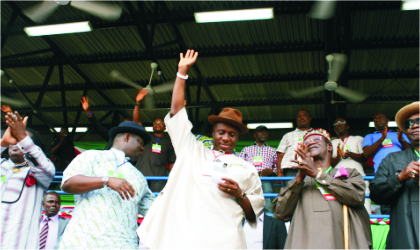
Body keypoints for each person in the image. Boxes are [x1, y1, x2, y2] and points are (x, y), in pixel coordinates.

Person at [137, 50, 264, 249]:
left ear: (237, 138)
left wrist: (239, 194)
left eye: (232, 134)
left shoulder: (247, 168)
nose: (225, 138)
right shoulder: (191, 150)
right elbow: (177, 111)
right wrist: (182, 72)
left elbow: (252, 214)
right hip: (180, 238)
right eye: (221, 132)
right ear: (213, 132)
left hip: (224, 242)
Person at [56, 121, 155, 249]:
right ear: (127, 137)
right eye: (140, 142)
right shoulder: (92, 156)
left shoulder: (139, 178)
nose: (142, 148)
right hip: (82, 242)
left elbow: (155, 213)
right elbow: (68, 183)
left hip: (122, 245)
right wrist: (106, 180)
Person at [272, 128, 372, 249]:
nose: (311, 142)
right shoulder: (298, 181)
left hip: (341, 243)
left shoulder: (347, 174)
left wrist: (317, 174)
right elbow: (280, 213)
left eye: (317, 139)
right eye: (307, 142)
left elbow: (357, 197)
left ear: (330, 147)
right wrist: (299, 177)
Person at [1, 111, 55, 249]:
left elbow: (45, 167)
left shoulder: (39, 170)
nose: (15, 144)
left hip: (19, 243)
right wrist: (3, 143)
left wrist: (22, 137)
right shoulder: (2, 165)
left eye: (21, 142)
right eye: (13, 140)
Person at [370, 102, 419, 249]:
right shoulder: (392, 159)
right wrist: (399, 177)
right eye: (410, 123)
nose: (415, 126)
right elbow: (376, 195)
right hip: (403, 235)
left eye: (419, 121)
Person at [331, 118, 370, 213]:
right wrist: (338, 156)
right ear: (334, 129)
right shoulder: (332, 143)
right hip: (338, 178)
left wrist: (350, 154)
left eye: (342, 123)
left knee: (364, 204)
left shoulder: (358, 139)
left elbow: (364, 157)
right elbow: (330, 164)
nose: (339, 125)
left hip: (358, 175)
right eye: (336, 123)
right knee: (339, 209)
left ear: (347, 127)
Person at [240, 125, 277, 213]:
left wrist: (272, 171)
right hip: (250, 179)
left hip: (266, 179)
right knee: (249, 206)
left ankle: (266, 225)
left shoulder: (273, 150)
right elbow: (240, 165)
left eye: (265, 132)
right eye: (261, 131)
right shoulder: (246, 149)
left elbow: (277, 167)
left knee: (267, 206)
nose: (264, 133)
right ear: (255, 135)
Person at [134, 115, 176, 192]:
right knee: (139, 199)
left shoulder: (169, 143)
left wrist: (174, 178)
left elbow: (171, 162)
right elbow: (137, 122)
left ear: (165, 127)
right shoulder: (145, 138)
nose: (157, 124)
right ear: (153, 127)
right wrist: (137, 104)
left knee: (157, 201)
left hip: (159, 179)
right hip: (141, 176)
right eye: (155, 122)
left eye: (160, 123)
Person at [277, 110, 312, 182]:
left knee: (309, 192)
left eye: (305, 115)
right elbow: (281, 155)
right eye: (299, 116)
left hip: (311, 168)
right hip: (291, 168)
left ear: (309, 119)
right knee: (291, 192)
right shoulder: (288, 135)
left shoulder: (316, 134)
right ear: (296, 120)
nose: (302, 118)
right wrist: (279, 172)